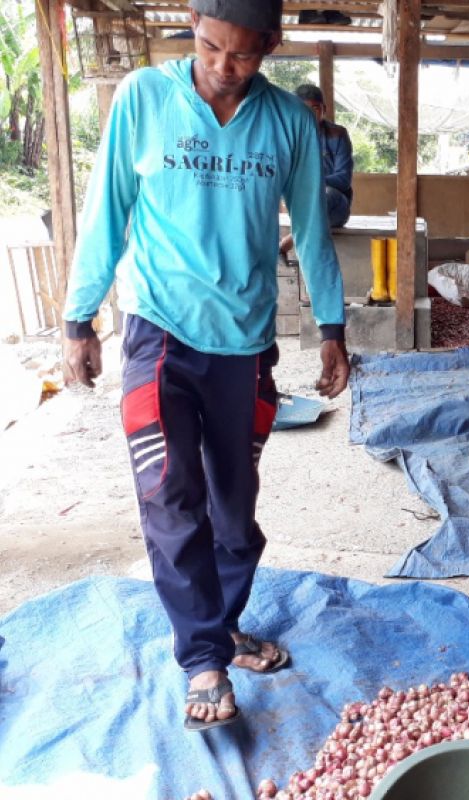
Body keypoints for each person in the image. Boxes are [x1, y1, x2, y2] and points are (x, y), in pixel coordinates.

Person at [60, 0, 350, 732]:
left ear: (273, 47)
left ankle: (218, 628)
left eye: (244, 55)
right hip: (158, 336)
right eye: (211, 46)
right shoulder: (146, 99)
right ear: (192, 25)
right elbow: (107, 209)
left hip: (245, 347)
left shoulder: (288, 123)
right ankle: (203, 661)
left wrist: (333, 328)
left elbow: (314, 229)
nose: (223, 67)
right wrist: (79, 318)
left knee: (234, 514)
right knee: (169, 496)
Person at [279, 83, 353, 256]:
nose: (310, 114)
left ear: (324, 110)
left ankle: (286, 244)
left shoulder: (338, 134)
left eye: (315, 108)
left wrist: (310, 182)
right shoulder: (286, 138)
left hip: (334, 208)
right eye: (304, 109)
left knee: (327, 194)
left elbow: (343, 179)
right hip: (299, 207)